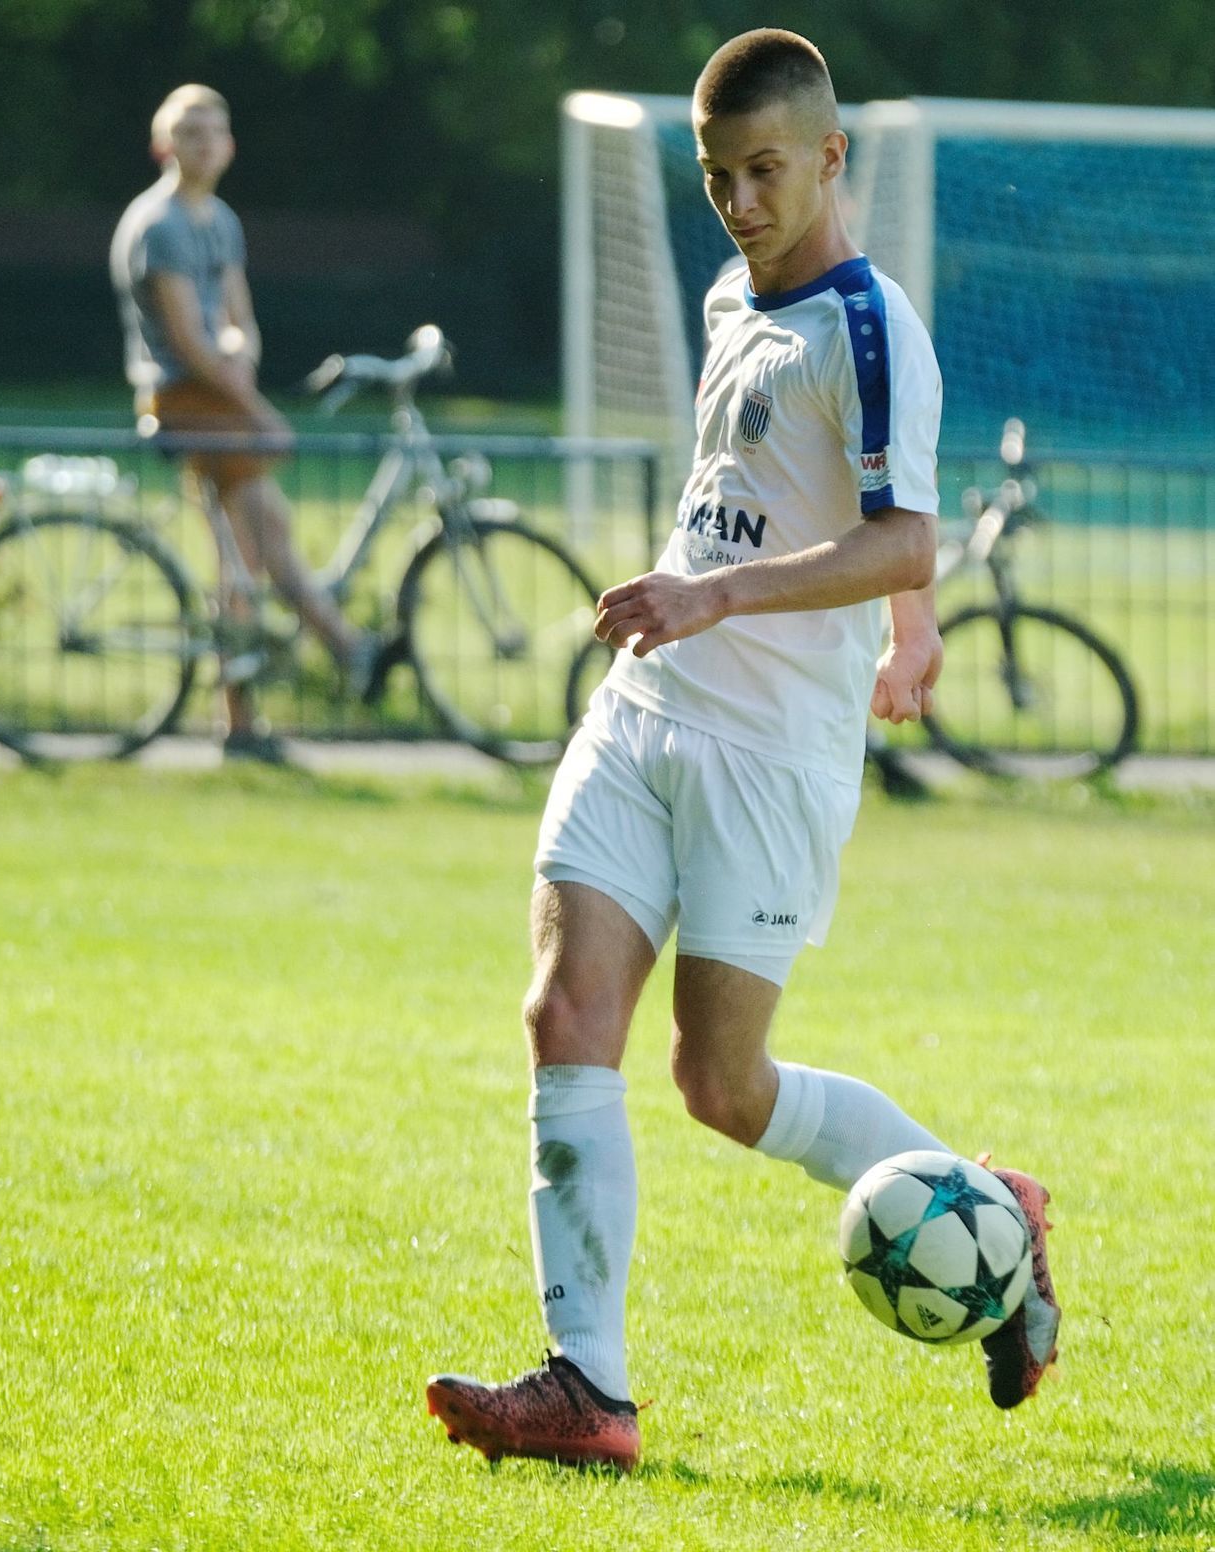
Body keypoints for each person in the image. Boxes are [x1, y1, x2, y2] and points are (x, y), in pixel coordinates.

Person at [425, 29, 1060, 1470]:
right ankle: (588, 1388)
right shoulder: (729, 292)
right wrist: (900, 629)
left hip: (771, 752)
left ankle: (989, 1211)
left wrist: (870, 611)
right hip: (648, 711)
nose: (740, 203)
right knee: (564, 1018)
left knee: (723, 1087)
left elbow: (907, 523)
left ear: (831, 158)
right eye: (718, 179)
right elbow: (794, 495)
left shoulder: (875, 326)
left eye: (765, 171)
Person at [110, 84, 376, 761]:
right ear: (162, 146)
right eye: (188, 132)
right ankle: (345, 654)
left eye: (213, 131)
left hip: (221, 398)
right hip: (184, 400)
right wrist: (258, 411)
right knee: (252, 545)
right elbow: (190, 344)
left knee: (251, 550)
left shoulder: (220, 220)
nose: (203, 144)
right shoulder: (158, 226)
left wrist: (243, 367)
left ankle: (295, 682)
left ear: (229, 144)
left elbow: (237, 317)